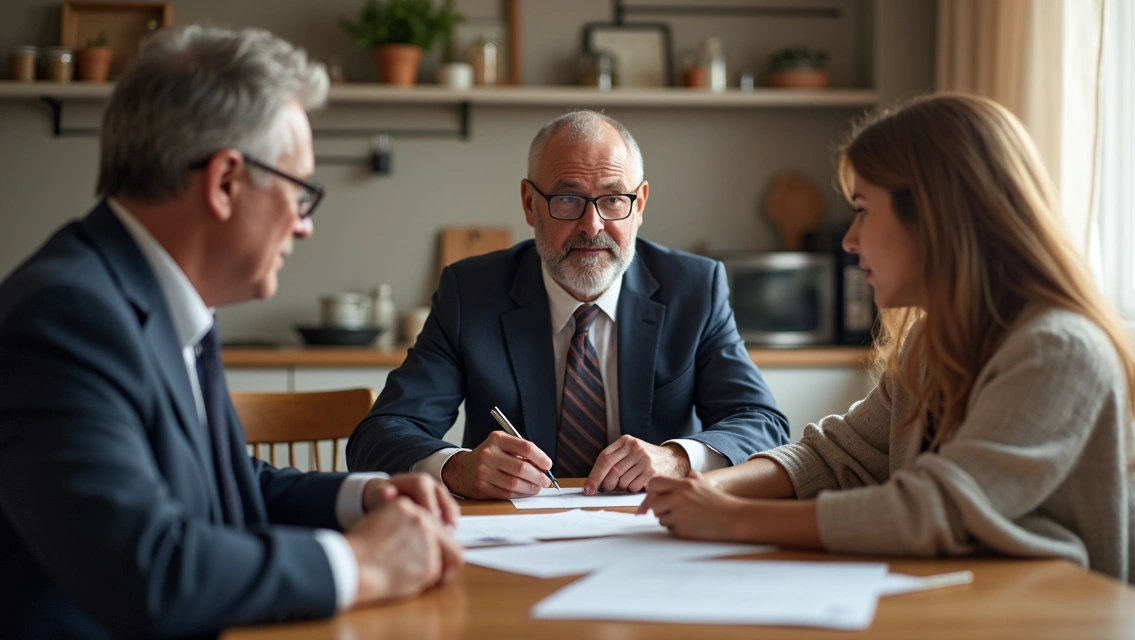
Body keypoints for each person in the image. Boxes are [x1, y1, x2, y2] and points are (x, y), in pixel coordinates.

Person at [0, 26, 463, 639]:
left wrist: (363, 497)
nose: (305, 226)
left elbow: (222, 487)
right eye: (299, 192)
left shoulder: (158, 299)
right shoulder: (63, 318)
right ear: (224, 182)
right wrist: (360, 564)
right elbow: (151, 572)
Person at [639, 93, 1135, 598]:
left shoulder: (1057, 349)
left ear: (936, 218)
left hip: (1089, 616)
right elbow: (834, 456)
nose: (849, 240)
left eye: (863, 209)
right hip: (989, 605)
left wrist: (733, 518)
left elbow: (939, 508)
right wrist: (709, 489)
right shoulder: (931, 343)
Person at [346, 110, 789, 499]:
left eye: (613, 199)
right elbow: (378, 436)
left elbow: (762, 423)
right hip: (513, 538)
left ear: (639, 205)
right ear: (529, 204)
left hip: (655, 531)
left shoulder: (693, 289)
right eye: (568, 199)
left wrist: (677, 458)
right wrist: (457, 468)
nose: (591, 225)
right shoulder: (471, 293)